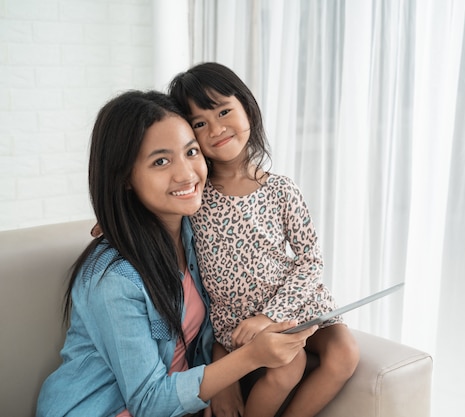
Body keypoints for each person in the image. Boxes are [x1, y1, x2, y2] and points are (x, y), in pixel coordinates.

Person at [36, 90, 317, 417]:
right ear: (124, 177)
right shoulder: (112, 279)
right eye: (160, 161)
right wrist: (249, 358)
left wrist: (222, 373)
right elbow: (149, 402)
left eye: (191, 151)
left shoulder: (197, 231)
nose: (186, 174)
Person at [169, 62, 360, 417]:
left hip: (291, 305)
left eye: (224, 111)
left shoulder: (281, 188)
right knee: (289, 365)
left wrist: (272, 315)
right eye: (199, 123)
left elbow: (310, 260)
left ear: (247, 109)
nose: (216, 128)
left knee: (345, 352)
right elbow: (154, 210)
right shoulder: (195, 195)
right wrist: (116, 220)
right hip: (238, 319)